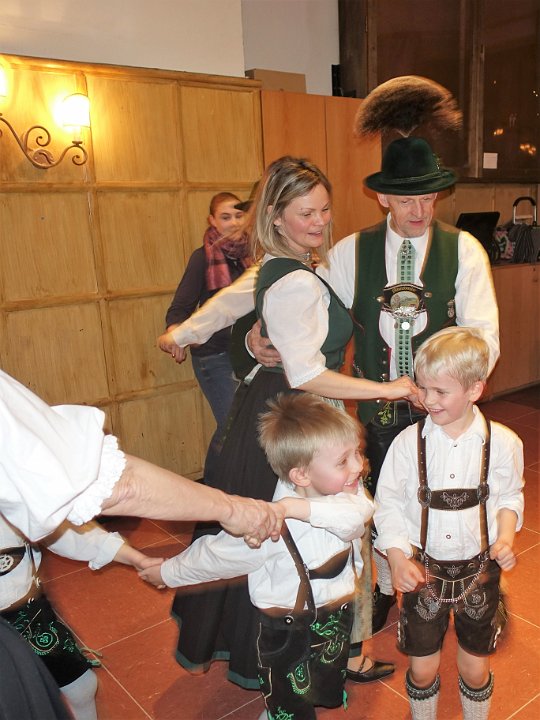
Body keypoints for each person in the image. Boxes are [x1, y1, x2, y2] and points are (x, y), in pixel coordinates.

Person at [158, 137, 500, 635]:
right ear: (382, 198)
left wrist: (459, 390)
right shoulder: (348, 252)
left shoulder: (464, 249)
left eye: (428, 198)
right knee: (369, 504)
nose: (420, 211)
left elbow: (484, 334)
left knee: (444, 493)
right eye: (407, 200)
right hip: (371, 407)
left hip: (443, 409)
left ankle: (452, 585)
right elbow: (282, 301)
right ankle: (382, 589)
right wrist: (248, 340)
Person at [158, 155, 416, 689]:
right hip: (300, 418)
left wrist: (184, 334)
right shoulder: (293, 277)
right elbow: (307, 372)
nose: (319, 221)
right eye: (306, 213)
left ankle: (316, 653)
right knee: (321, 535)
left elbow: (228, 306)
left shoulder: (283, 265)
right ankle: (323, 658)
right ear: (276, 216)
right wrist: (390, 387)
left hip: (276, 409)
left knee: (280, 532)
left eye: (324, 209)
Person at [0, 365, 288, 717]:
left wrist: (135, 558)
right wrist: (231, 510)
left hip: (23, 605)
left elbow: (56, 521)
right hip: (12, 607)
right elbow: (117, 487)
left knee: (79, 685)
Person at [140, 393, 376, 720]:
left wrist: (293, 508)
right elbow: (216, 556)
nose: (358, 466)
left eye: (357, 453)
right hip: (288, 632)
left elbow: (356, 516)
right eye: (343, 461)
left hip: (334, 620)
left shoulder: (350, 494)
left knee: (316, 688)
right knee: (289, 705)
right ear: (301, 476)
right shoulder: (266, 526)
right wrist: (166, 572)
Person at [373, 327, 523, 720]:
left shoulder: (503, 442)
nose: (427, 400)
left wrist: (505, 538)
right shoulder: (408, 443)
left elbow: (510, 497)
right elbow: (387, 504)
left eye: (440, 391)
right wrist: (396, 557)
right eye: (423, 388)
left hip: (480, 571)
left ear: (475, 389)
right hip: (423, 572)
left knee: (475, 670)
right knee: (422, 671)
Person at [1, 515, 150, 720]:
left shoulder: (16, 499)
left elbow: (60, 528)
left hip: (27, 612)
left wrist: (132, 557)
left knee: (81, 685)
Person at [165, 192, 252, 477]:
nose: (234, 222)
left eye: (238, 215)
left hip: (248, 355)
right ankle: (213, 490)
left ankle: (229, 489)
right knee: (233, 426)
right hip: (214, 355)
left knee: (245, 427)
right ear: (212, 220)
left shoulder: (253, 256)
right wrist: (176, 336)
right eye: (225, 217)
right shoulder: (203, 257)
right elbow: (180, 308)